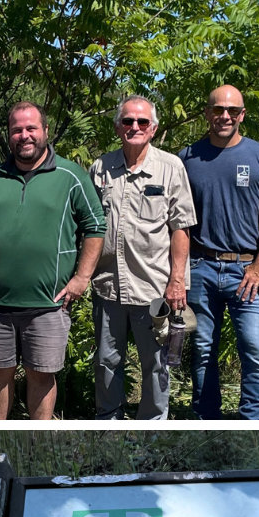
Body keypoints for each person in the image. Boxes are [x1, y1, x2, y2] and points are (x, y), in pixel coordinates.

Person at [0, 102, 106, 419]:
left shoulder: (70, 175)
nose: (24, 135)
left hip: (49, 302)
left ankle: (36, 438)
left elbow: (95, 226)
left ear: (45, 131)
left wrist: (81, 278)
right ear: (9, 136)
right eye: (17, 130)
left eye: (31, 128)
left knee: (41, 375)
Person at [178, 85, 259, 420]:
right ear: (207, 113)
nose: (225, 116)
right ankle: (206, 420)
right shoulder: (187, 157)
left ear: (242, 115)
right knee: (202, 349)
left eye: (233, 111)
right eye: (218, 110)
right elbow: (177, 219)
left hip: (246, 271)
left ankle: (254, 422)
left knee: (254, 349)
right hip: (200, 267)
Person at [88, 95, 196, 420]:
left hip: (154, 289)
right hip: (109, 287)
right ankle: (109, 426)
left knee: (157, 364)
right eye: (127, 121)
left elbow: (181, 227)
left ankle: (153, 429)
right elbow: (89, 228)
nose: (134, 127)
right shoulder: (100, 168)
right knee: (106, 362)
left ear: (154, 128)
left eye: (142, 122)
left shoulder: (170, 167)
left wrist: (177, 281)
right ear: (117, 126)